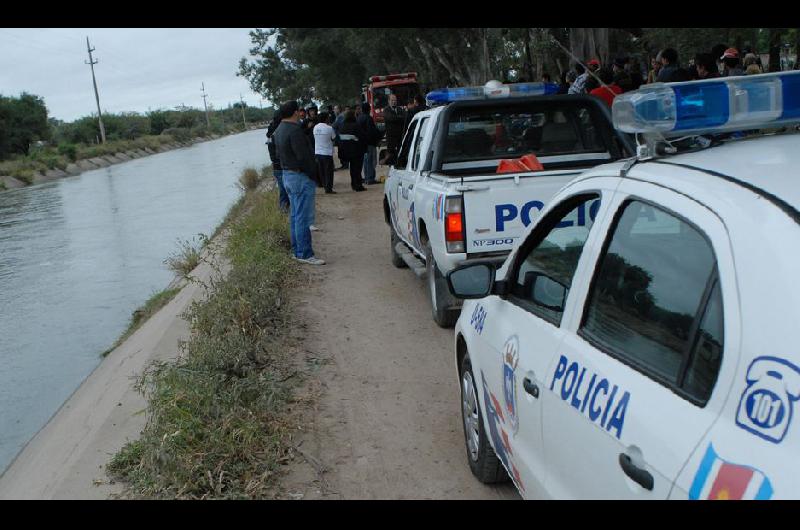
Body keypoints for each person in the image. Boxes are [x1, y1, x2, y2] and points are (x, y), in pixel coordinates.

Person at [273, 100, 325, 265]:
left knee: (295, 215)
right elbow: (304, 157)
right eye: (299, 111)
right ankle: (305, 254)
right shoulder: (294, 130)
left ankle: (298, 250)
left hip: (287, 175)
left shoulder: (279, 130)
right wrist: (314, 175)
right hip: (300, 176)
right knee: (302, 217)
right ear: (295, 112)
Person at [337, 110, 367, 192]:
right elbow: (362, 136)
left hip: (346, 151)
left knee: (352, 169)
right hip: (356, 151)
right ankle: (358, 185)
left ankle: (353, 184)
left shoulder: (342, 125)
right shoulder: (356, 125)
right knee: (357, 169)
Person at [266, 113, 289, 213]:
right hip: (283, 166)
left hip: (277, 167)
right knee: (285, 190)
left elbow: (272, 155)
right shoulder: (279, 134)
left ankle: (284, 209)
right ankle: (284, 209)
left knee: (283, 189)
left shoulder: (271, 135)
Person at [358, 102, 382, 185]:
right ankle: (370, 178)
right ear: (369, 109)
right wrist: (377, 139)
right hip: (370, 143)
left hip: (362, 143)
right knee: (371, 160)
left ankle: (367, 177)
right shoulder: (369, 118)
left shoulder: (359, 118)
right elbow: (372, 131)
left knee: (365, 161)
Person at [313, 111, 337, 194]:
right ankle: (328, 188)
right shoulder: (329, 128)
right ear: (326, 119)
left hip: (317, 152)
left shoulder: (315, 127)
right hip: (327, 152)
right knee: (329, 171)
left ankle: (324, 185)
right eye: (328, 117)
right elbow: (334, 138)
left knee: (321, 171)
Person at [380, 93, 406, 164]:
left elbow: (404, 117)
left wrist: (397, 118)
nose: (394, 102)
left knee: (401, 154)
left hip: (400, 137)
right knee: (391, 157)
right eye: (392, 100)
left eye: (395, 100)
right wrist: (399, 118)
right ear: (388, 101)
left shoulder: (400, 109)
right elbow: (390, 118)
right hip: (391, 138)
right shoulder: (386, 110)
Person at [333, 105, 351, 170]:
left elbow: (335, 125)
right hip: (340, 137)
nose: (334, 111)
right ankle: (344, 164)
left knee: (342, 151)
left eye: (335, 109)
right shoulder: (338, 117)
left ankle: (345, 165)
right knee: (341, 151)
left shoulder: (340, 117)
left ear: (339, 110)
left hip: (341, 137)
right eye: (334, 109)